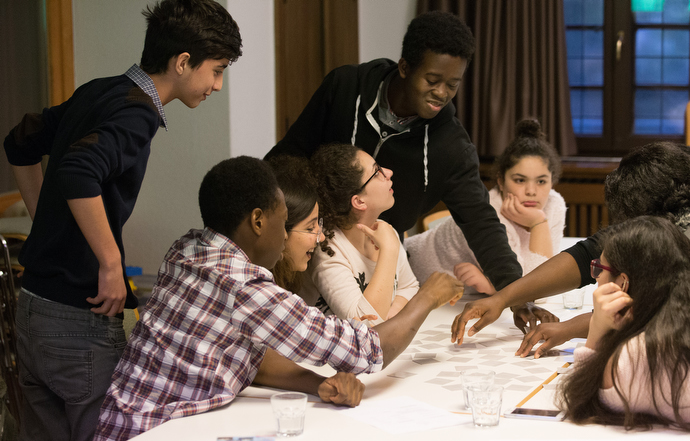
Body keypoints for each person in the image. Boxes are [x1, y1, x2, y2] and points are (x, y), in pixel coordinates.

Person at [2, 1, 242, 439]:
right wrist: (111, 264)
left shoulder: (100, 90)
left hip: (34, 305)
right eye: (217, 70)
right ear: (183, 62)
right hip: (78, 320)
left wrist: (46, 223)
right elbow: (78, 170)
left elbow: (19, 142)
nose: (218, 85)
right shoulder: (139, 112)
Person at [94, 157, 463, 440]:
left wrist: (314, 383)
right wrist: (426, 298)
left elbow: (244, 351)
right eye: (284, 222)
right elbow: (365, 350)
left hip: (122, 424)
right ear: (258, 221)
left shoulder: (188, 249)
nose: (287, 237)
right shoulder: (246, 287)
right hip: (158, 431)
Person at [265, 11, 523, 294]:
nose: (442, 93)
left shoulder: (451, 146)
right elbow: (287, 157)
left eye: (453, 84)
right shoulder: (345, 88)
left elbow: (481, 221)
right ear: (404, 67)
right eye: (432, 80)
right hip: (312, 249)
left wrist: (516, 292)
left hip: (378, 257)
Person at [451, 142, 690, 357]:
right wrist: (503, 298)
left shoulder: (678, 239)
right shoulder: (667, 217)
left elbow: (658, 313)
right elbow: (588, 253)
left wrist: (571, 328)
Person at [405, 119, 566, 294]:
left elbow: (544, 282)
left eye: (541, 181)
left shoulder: (553, 204)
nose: (531, 191)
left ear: (552, 181)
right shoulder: (488, 213)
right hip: (409, 274)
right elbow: (531, 291)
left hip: (456, 298)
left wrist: (538, 223)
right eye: (520, 180)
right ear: (501, 182)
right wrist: (538, 224)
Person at [559, 216, 690, 430]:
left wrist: (596, 332)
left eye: (600, 268)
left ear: (622, 283)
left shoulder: (640, 356)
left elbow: (581, 400)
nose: (596, 278)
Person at [299, 144, 420, 325]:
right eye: (377, 172)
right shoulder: (328, 250)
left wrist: (390, 316)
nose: (388, 172)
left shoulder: (385, 230)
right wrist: (389, 250)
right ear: (359, 201)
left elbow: (409, 287)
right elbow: (363, 324)